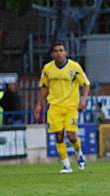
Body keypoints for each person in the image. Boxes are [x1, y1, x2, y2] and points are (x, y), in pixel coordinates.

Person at [36, 41, 91, 174]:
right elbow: (44, 87)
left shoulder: (74, 67)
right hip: (54, 107)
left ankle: (79, 154)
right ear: (52, 54)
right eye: (56, 51)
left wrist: (83, 100)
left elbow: (86, 84)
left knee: (71, 136)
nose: (59, 53)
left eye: (61, 50)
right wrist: (39, 104)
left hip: (71, 107)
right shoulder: (47, 69)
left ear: (65, 52)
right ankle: (66, 165)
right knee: (59, 136)